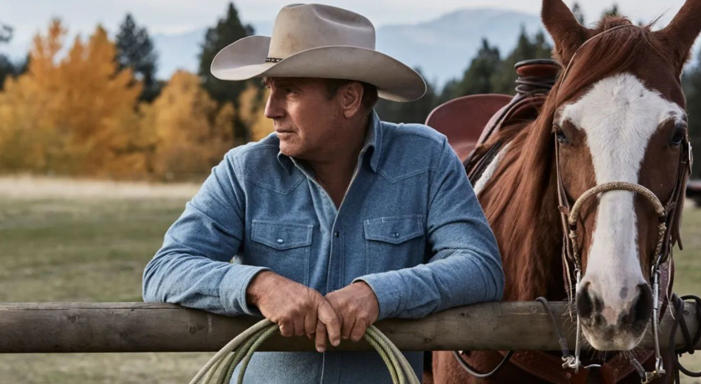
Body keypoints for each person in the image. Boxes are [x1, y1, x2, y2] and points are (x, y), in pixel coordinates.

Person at [142, 3, 503, 382]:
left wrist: (377, 294)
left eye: (290, 92)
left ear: (348, 99)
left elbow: (480, 267)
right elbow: (165, 270)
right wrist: (260, 286)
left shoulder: (426, 159)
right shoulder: (244, 170)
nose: (270, 109)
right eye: (270, 90)